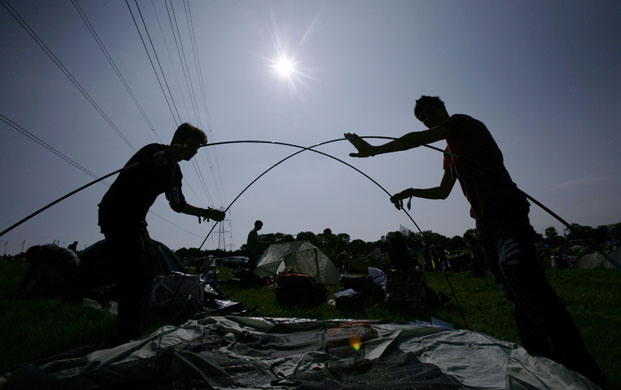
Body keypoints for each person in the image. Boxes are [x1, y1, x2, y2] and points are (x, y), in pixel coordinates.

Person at [344, 95, 602, 383]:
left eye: (432, 112)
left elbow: (419, 138)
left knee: (528, 286)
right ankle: (540, 364)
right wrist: (411, 191)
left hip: (507, 211)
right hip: (485, 224)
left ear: (443, 109)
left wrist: (375, 150)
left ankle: (582, 370)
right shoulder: (448, 153)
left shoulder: (461, 124)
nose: (429, 119)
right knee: (513, 294)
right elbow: (443, 191)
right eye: (423, 117)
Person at [98, 122, 225, 342]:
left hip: (137, 220)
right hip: (116, 213)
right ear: (180, 140)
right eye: (193, 146)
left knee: (148, 270)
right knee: (135, 273)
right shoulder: (152, 151)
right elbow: (154, 159)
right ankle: (127, 334)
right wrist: (166, 153)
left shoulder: (175, 173)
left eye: (198, 149)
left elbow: (177, 205)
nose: (195, 152)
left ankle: (134, 324)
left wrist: (207, 213)